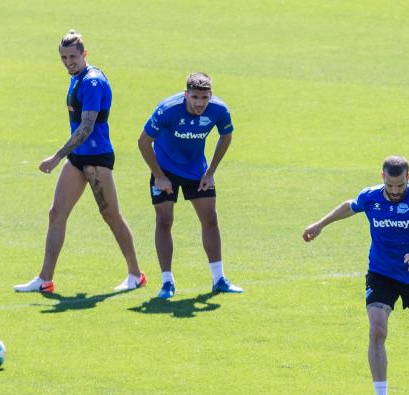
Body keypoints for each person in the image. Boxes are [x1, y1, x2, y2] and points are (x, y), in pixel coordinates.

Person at [302, 156, 409, 395]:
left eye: (400, 186)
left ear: (408, 177)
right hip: (381, 274)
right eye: (390, 185)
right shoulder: (371, 196)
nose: (395, 192)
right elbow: (350, 206)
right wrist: (320, 224)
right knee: (377, 330)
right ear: (382, 176)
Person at [14, 30, 146, 293]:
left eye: (73, 56)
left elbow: (86, 127)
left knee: (110, 215)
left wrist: (56, 156)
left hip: (96, 157)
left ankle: (135, 275)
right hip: (78, 158)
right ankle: (45, 279)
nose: (68, 62)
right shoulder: (76, 78)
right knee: (56, 213)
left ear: (84, 54)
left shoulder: (92, 82)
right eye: (63, 57)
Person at [137, 72, 242, 299]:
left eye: (204, 98)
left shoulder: (219, 110)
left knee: (210, 219)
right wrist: (158, 175)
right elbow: (143, 142)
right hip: (165, 170)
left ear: (210, 96)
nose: (200, 103)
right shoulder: (167, 110)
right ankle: (167, 282)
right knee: (164, 220)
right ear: (186, 94)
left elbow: (226, 136)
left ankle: (219, 279)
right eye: (195, 97)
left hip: (196, 171)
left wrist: (210, 172)